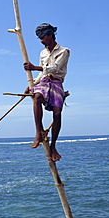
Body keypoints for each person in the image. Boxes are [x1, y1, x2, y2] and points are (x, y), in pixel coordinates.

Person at [24, 23, 70, 162]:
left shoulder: (64, 51)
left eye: (43, 37)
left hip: (56, 82)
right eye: (40, 38)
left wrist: (35, 67)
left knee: (57, 112)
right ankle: (39, 132)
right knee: (37, 96)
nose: (41, 41)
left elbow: (54, 68)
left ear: (50, 35)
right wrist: (32, 84)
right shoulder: (43, 53)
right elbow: (43, 74)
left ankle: (53, 146)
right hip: (44, 82)